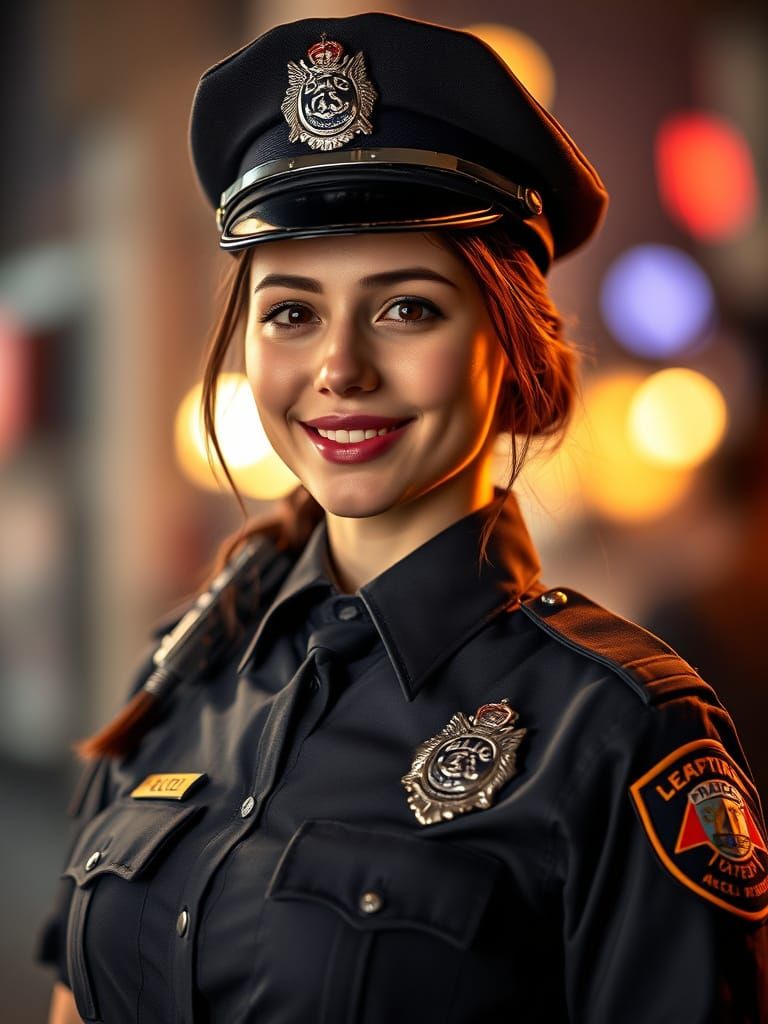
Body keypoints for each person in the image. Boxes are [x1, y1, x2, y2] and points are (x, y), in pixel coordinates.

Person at [40, 12, 767, 1024]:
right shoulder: (185, 672)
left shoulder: (620, 732)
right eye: (292, 312)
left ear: (512, 350)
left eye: (406, 307)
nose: (339, 368)